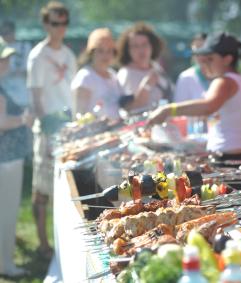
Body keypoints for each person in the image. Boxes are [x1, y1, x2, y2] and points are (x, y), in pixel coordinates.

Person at [146, 32, 241, 160]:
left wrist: (168, 110)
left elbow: (209, 106)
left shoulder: (223, 81)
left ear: (227, 59)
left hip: (227, 157)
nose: (205, 64)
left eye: (210, 59)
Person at [27, 1, 77, 258]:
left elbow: (73, 93)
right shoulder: (38, 55)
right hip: (46, 127)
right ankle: (42, 242)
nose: (61, 28)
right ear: (46, 24)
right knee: (42, 188)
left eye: (65, 23)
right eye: (56, 23)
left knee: (66, 187)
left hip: (68, 128)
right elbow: (34, 95)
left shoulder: (68, 55)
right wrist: (46, 124)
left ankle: (62, 242)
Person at [0, 38, 33, 277]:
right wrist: (23, 119)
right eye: (4, 57)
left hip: (7, 159)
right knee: (7, 213)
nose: (7, 62)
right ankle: (5, 265)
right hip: (7, 160)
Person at [116, 21, 174, 112]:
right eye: (135, 46)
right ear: (128, 50)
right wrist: (146, 86)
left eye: (144, 44)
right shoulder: (125, 74)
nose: (141, 50)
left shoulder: (156, 68)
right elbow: (129, 108)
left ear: (152, 46)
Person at [71, 28, 123, 119]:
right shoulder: (85, 77)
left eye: (109, 51)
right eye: (100, 51)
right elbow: (79, 115)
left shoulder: (113, 75)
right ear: (92, 53)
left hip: (115, 130)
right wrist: (97, 121)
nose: (105, 55)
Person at [0, 21, 32, 108]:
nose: (5, 36)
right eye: (2, 33)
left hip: (23, 99)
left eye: (7, 32)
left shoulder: (25, 47)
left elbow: (31, 72)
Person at [174, 33, 210, 102]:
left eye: (203, 49)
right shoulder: (186, 77)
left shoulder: (221, 76)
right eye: (196, 49)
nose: (199, 53)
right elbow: (179, 108)